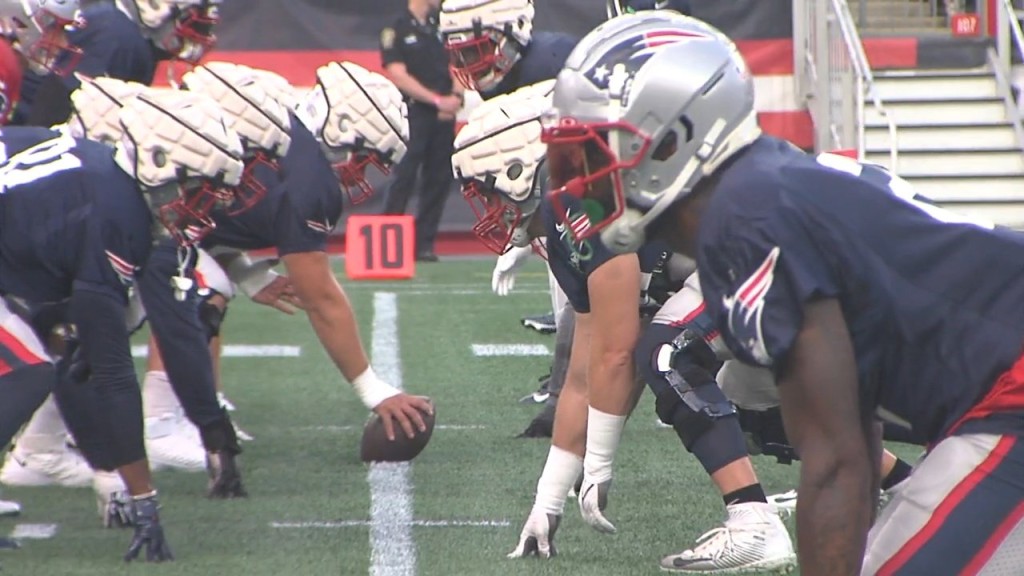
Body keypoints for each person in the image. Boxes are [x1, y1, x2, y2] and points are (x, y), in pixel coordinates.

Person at [544, 12, 1024, 575]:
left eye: (597, 153)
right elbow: (852, 432)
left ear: (674, 141)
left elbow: (836, 461)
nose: (580, 181)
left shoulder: (748, 226)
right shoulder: (753, 201)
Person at [452, 82, 797, 573]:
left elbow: (619, 352)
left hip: (771, 251)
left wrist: (599, 464)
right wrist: (547, 501)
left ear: (516, 166)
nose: (489, 208)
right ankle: (892, 480)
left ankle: (754, 525)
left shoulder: (580, 201)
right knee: (750, 408)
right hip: (752, 261)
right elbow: (585, 369)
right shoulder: (566, 209)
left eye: (487, 190)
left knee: (665, 354)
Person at [140, 60, 432, 462]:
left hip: (154, 213)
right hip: (141, 217)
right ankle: (159, 424)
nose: (363, 173)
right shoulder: (309, 178)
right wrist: (374, 390)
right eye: (365, 158)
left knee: (82, 325)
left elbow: (214, 220)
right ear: (342, 129)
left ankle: (44, 448)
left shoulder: (289, 132)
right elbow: (321, 300)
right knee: (193, 292)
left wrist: (247, 274)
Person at [0, 89, 248, 561]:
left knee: (39, 356)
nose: (200, 209)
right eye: (196, 190)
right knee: (27, 370)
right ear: (158, 162)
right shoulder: (120, 216)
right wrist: (145, 501)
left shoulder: (96, 162)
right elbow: (113, 376)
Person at [440, 0, 578, 430]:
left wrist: (533, 227)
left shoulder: (556, 64)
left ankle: (565, 394)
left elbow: (573, 155)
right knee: (574, 283)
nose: (470, 64)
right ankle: (567, 386)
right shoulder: (503, 76)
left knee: (582, 287)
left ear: (515, 30)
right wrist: (524, 231)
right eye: (460, 54)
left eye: (478, 49)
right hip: (562, 188)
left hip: (601, 182)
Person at [379, 0, 462, 262]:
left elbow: (459, 62)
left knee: (438, 179)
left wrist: (456, 97)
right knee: (404, 176)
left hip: (444, 114)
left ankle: (423, 244)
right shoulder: (397, 27)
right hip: (413, 113)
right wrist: (435, 100)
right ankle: (388, 244)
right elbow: (398, 74)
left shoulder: (444, 26)